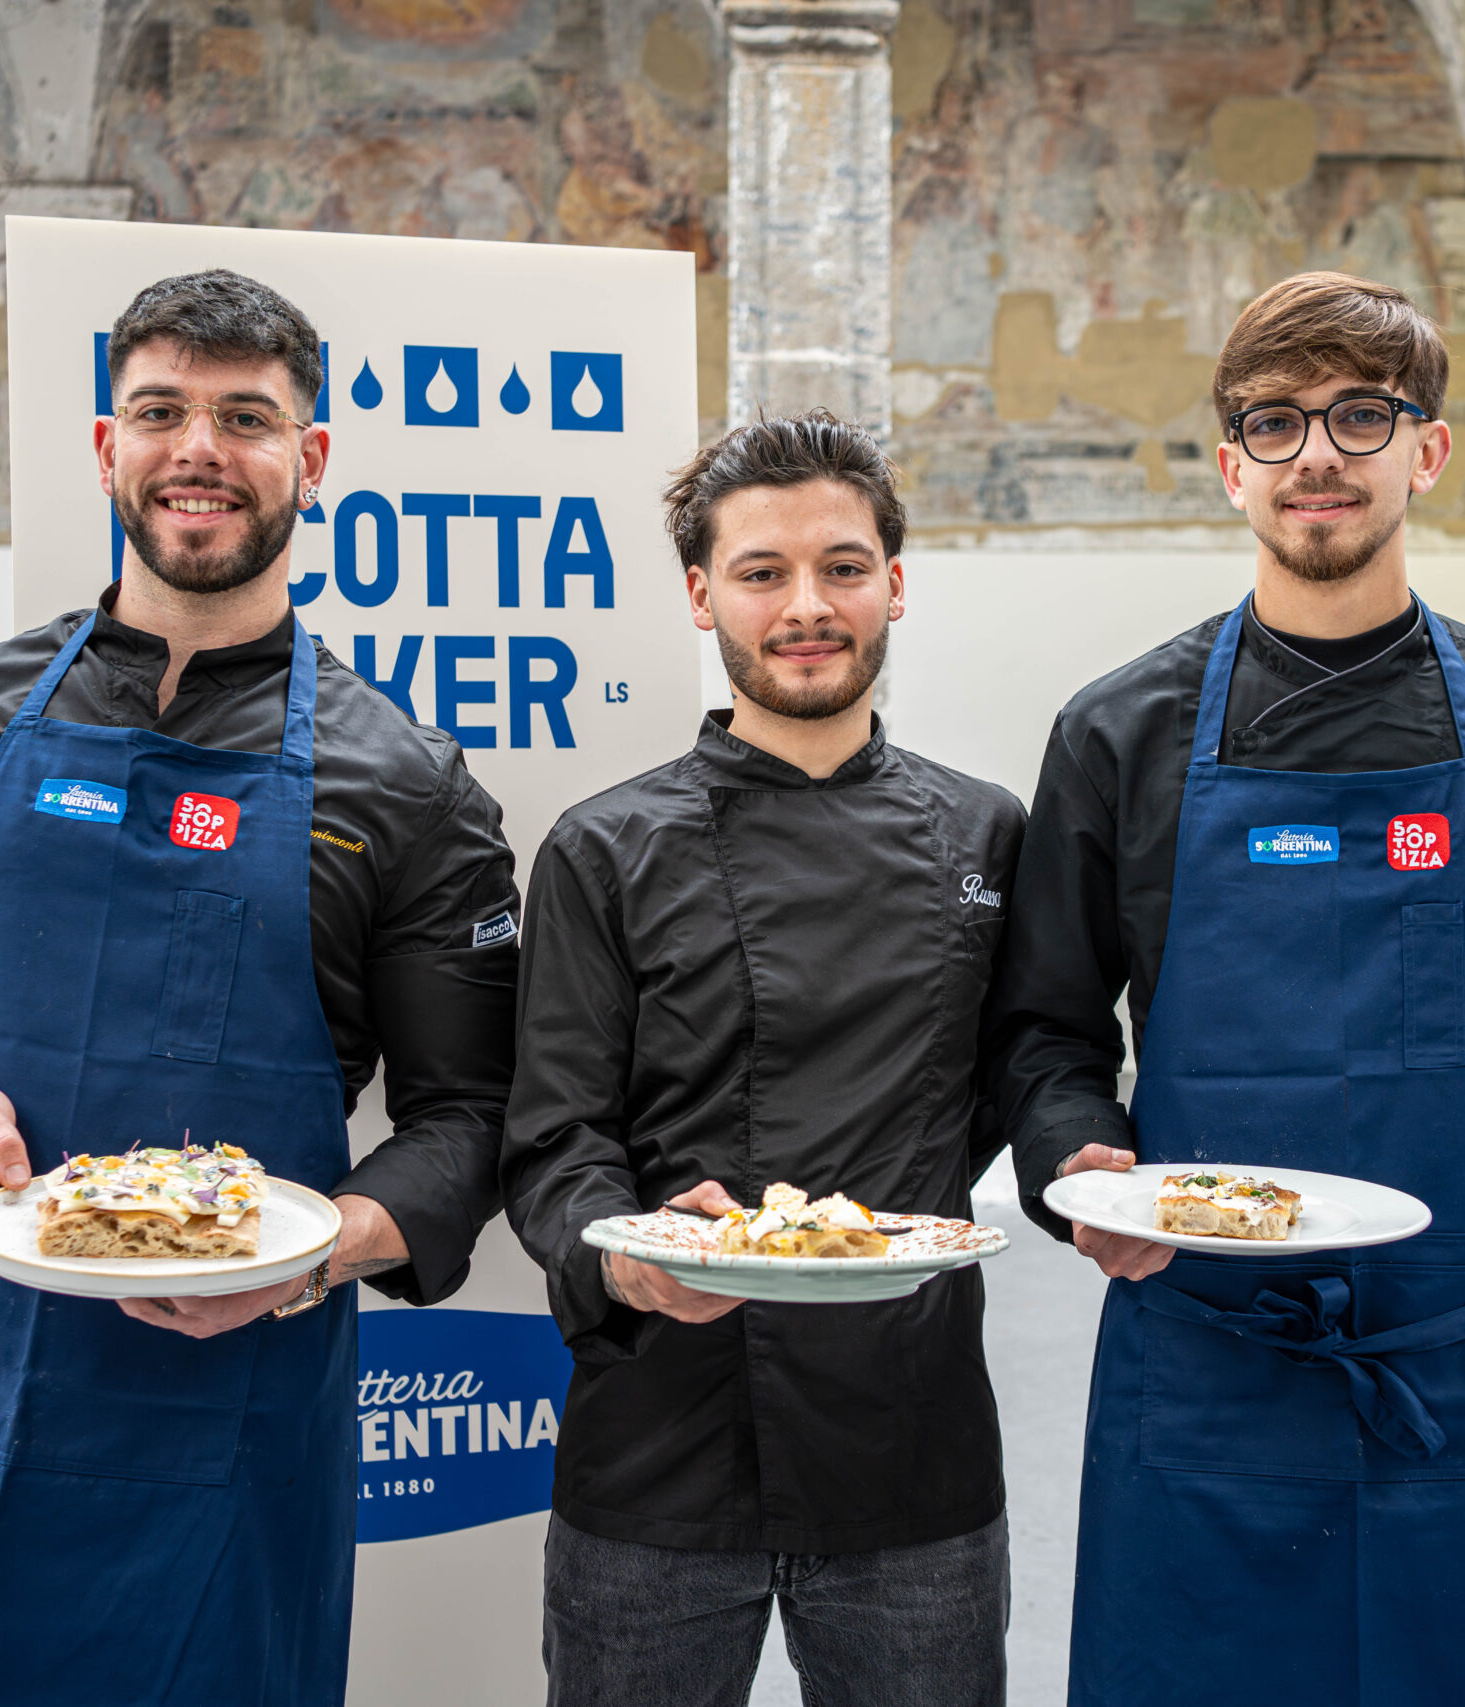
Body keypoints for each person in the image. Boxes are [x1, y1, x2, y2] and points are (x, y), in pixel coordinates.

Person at [0, 269, 520, 1706]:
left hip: (230, 1410)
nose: (198, 450)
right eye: (160, 412)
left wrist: (313, 1255)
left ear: (312, 460)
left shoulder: (408, 786)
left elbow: (470, 1119)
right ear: (109, 448)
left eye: (246, 418)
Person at [986, 272, 1465, 1705]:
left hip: (1452, 1361)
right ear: (1230, 465)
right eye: (1277, 421)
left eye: (1362, 415)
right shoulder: (1119, 735)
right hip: (1202, 1351)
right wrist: (1078, 1164)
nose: (1319, 454)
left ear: (1428, 450)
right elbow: (1044, 1022)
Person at [501, 411, 1023, 1707]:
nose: (806, 607)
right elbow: (556, 1137)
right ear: (700, 596)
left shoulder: (988, 834)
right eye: (761, 572)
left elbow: (1028, 1073)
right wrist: (619, 1254)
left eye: (842, 568)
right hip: (657, 1438)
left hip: (912, 1440)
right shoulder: (604, 849)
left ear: (893, 583)